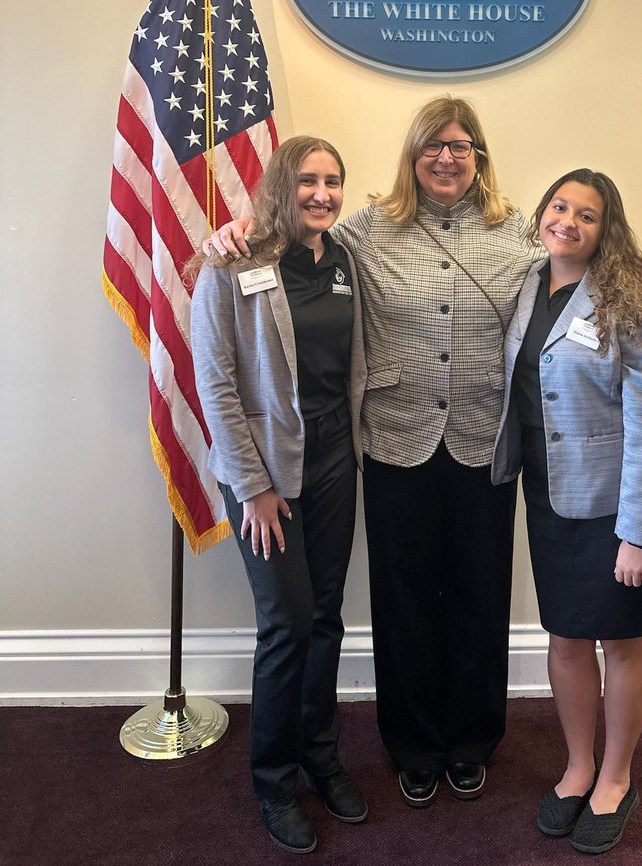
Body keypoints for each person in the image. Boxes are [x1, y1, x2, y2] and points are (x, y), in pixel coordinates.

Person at [209, 97, 540, 808]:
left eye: (461, 146)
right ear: (411, 156)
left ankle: (473, 738)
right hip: (394, 442)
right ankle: (414, 746)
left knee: (481, 600)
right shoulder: (366, 230)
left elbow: (567, 279)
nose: (446, 159)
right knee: (404, 603)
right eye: (432, 147)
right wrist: (236, 229)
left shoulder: (517, 232)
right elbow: (294, 230)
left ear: (479, 155)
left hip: (484, 443)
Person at [492, 168, 642, 855]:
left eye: (587, 215)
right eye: (560, 207)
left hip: (616, 506)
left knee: (620, 638)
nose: (569, 222)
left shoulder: (628, 300)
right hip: (551, 498)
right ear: (542, 212)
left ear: (608, 230)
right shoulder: (528, 284)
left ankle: (616, 776)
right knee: (567, 636)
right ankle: (578, 767)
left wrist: (640, 533)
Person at [190, 136, 368, 854]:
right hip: (264, 474)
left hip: (335, 460)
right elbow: (216, 382)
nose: (321, 194)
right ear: (280, 185)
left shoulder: (345, 259)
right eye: (307, 181)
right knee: (287, 622)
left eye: (333, 181)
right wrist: (254, 487)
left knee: (326, 617)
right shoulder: (233, 262)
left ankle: (321, 755)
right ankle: (274, 778)